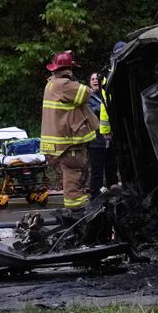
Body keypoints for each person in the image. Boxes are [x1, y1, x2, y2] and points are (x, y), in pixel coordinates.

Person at [41, 51, 98, 210]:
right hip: (69, 141)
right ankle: (77, 210)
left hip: (62, 141)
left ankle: (75, 207)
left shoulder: (52, 83)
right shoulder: (64, 85)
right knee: (74, 174)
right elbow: (85, 93)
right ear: (68, 68)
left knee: (71, 172)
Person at [86, 72, 112, 199]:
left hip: (110, 140)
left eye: (97, 78)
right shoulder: (87, 98)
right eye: (92, 79)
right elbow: (92, 113)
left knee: (111, 170)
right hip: (95, 141)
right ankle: (95, 197)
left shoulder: (107, 96)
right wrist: (104, 107)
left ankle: (113, 195)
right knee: (97, 172)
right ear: (90, 83)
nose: (95, 80)